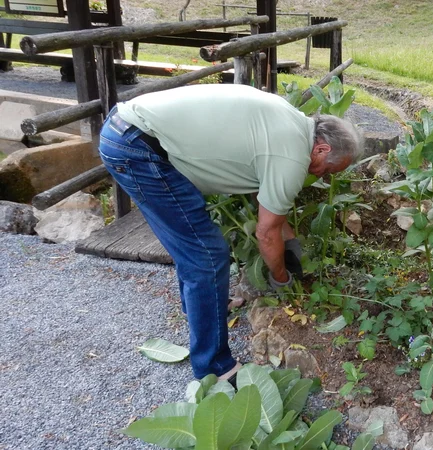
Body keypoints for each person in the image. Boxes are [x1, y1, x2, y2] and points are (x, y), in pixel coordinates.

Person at [98, 83, 364, 382]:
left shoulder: (290, 122)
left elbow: (265, 201)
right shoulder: (292, 155)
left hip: (126, 129)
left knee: (191, 244)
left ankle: (203, 307)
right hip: (139, 148)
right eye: (327, 170)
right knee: (206, 254)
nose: (321, 176)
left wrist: (291, 245)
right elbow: (266, 232)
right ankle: (214, 368)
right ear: (322, 148)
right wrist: (282, 278)